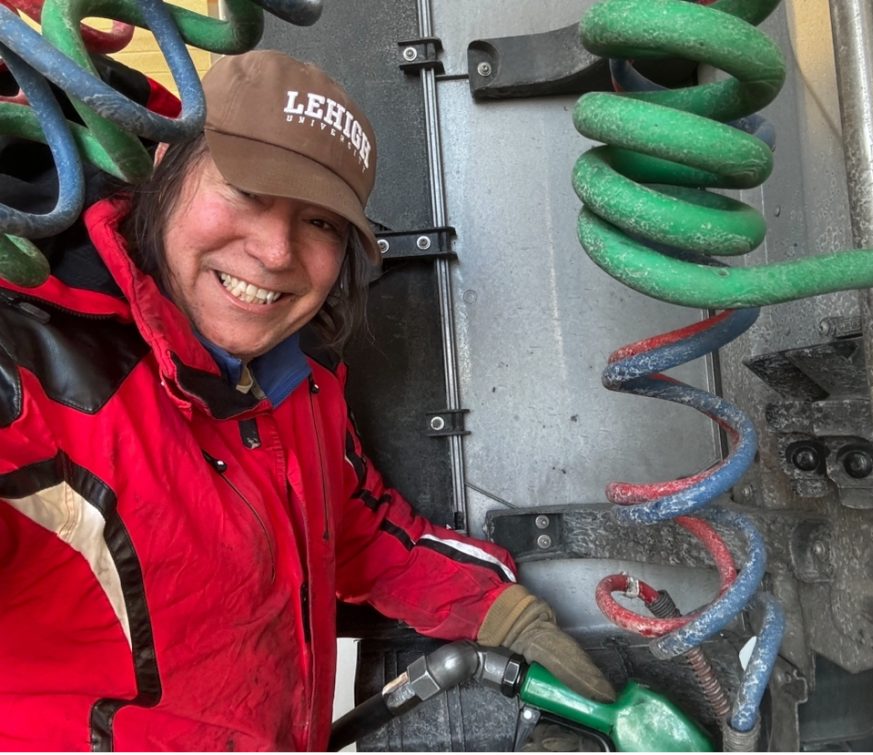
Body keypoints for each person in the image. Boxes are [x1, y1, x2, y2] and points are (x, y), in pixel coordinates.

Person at [0, 50, 613, 751]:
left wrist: (502, 613)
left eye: (320, 222)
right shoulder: (29, 376)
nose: (275, 251)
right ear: (164, 170)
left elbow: (354, 530)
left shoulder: (300, 381)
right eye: (246, 191)